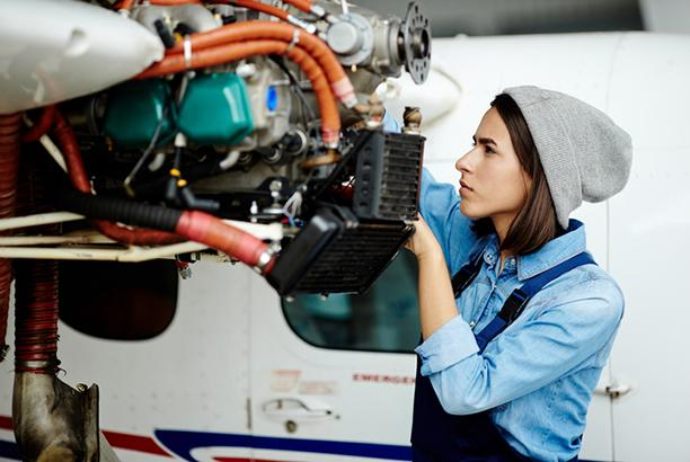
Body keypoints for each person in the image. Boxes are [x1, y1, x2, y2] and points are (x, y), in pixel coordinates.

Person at [404, 86, 632, 461]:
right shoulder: (472, 239)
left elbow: (465, 391)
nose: (464, 161)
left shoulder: (588, 301)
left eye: (488, 150)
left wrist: (430, 256)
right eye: (473, 144)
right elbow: (406, 180)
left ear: (540, 176)